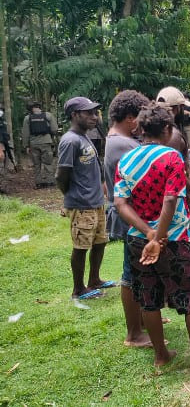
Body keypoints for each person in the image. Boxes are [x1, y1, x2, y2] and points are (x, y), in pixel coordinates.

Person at [114, 104, 190, 372]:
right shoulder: (171, 157)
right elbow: (171, 201)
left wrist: (148, 233)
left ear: (140, 129)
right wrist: (160, 235)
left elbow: (120, 203)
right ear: (166, 129)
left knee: (148, 296)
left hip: (138, 240)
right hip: (175, 238)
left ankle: (161, 354)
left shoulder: (126, 160)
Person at [104, 90, 151, 347]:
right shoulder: (123, 144)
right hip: (129, 215)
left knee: (138, 269)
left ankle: (144, 318)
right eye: (140, 119)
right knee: (131, 273)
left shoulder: (118, 140)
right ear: (131, 118)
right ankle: (134, 333)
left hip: (130, 213)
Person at [56, 97, 112, 300]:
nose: (94, 116)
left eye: (95, 112)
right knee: (81, 247)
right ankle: (78, 290)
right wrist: (71, 198)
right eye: (88, 113)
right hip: (81, 204)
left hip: (96, 201)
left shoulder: (84, 137)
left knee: (100, 242)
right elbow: (61, 175)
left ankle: (94, 280)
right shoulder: (70, 141)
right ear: (74, 115)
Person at [155, 86, 190, 239]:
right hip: (176, 194)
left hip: (166, 194)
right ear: (176, 109)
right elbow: (174, 173)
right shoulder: (171, 136)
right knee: (182, 240)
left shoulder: (158, 131)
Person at [22, 100, 58, 188]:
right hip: (46, 142)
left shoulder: (27, 118)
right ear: (39, 107)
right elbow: (54, 129)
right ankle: (50, 182)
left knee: (36, 164)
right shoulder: (48, 115)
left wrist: (26, 146)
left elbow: (25, 133)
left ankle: (38, 183)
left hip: (34, 144)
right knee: (48, 162)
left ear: (31, 109)